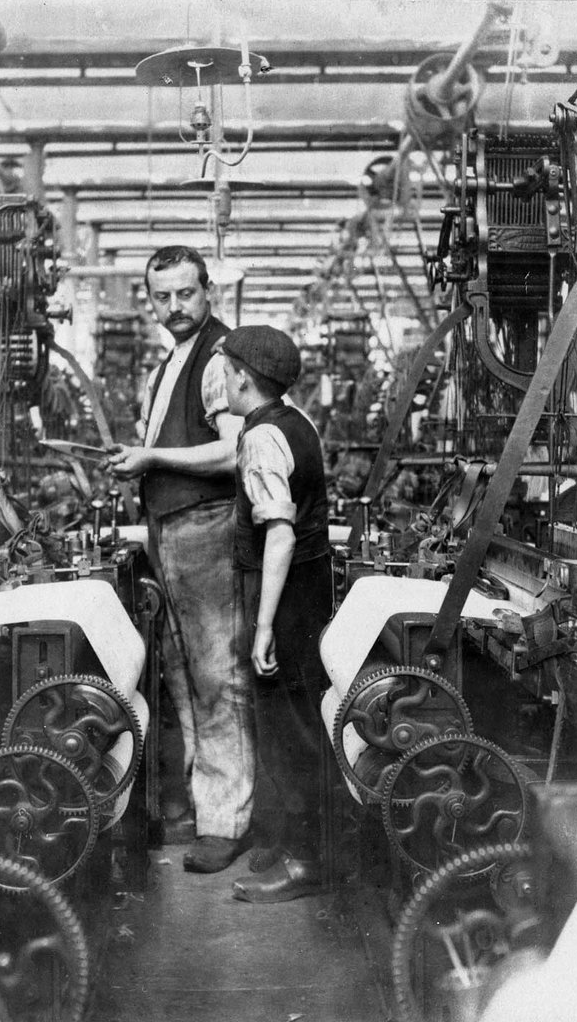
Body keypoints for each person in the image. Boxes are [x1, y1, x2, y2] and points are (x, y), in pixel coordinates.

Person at [107, 246, 255, 874]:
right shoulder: (173, 360)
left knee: (218, 675)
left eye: (186, 294)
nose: (175, 307)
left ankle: (227, 822)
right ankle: (205, 807)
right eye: (162, 297)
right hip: (171, 530)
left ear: (208, 290)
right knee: (182, 674)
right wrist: (138, 461)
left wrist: (151, 459)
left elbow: (231, 453)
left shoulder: (218, 358)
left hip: (207, 527)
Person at [220, 325, 333, 903]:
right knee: (291, 716)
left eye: (224, 369)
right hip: (308, 590)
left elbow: (281, 534)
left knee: (290, 727)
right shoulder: (297, 420)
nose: (221, 379)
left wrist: (264, 625)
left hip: (286, 595)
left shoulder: (263, 437)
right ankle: (290, 838)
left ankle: (306, 861)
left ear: (242, 376)